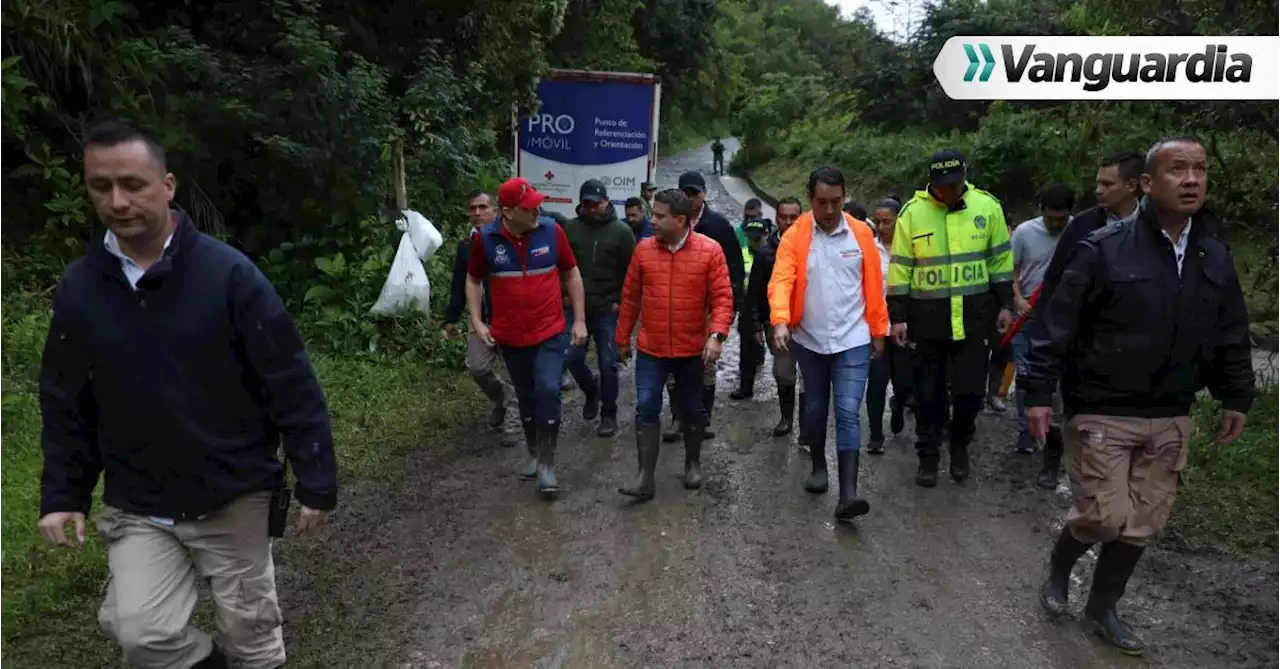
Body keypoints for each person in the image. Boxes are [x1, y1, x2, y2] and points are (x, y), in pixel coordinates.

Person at [37, 119, 337, 669]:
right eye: (101, 187)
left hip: (233, 493)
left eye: (133, 184)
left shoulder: (228, 275)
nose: (118, 201)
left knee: (253, 639)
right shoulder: (82, 288)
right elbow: (64, 399)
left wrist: (316, 480)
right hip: (139, 500)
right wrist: (63, 493)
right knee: (141, 635)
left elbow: (290, 381)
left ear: (168, 185)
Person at [1024, 137, 1253, 655]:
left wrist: (1237, 395)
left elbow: (1230, 332)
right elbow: (1056, 325)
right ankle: (1060, 567)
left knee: (1143, 521)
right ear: (1148, 184)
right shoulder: (1103, 247)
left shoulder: (1212, 254)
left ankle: (1103, 605)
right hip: (1103, 406)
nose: (1191, 179)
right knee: (1105, 515)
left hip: (1171, 411)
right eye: (1178, 170)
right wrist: (1039, 393)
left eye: (1199, 169)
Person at [887, 149, 1015, 488]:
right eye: (941, 187)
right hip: (927, 324)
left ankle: (960, 446)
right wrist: (897, 317)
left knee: (969, 394)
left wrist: (1005, 305)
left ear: (965, 177)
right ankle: (928, 456)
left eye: (954, 185)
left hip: (974, 323)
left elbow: (1000, 263)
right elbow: (900, 269)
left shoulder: (988, 208)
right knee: (928, 396)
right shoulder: (912, 214)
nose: (947, 192)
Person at [769, 167, 889, 521]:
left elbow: (874, 287)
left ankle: (849, 494)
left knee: (849, 410)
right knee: (817, 408)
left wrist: (878, 332)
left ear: (845, 197)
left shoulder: (862, 234)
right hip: (810, 340)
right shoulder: (796, 237)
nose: (830, 209)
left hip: (853, 337)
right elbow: (782, 281)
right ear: (810, 199)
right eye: (822, 202)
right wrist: (779, 320)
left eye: (836, 201)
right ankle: (819, 467)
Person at [467, 177, 587, 496]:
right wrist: (478, 321)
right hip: (510, 336)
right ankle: (534, 451)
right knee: (527, 396)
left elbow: (572, 273)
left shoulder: (552, 231)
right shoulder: (485, 240)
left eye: (536, 203)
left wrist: (580, 321)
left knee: (548, 388)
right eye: (528, 206)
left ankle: (547, 464)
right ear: (507, 212)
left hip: (549, 331)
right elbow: (474, 279)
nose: (536, 209)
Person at [616, 189, 734, 499]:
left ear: (680, 219)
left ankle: (693, 463)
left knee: (693, 409)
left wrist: (717, 335)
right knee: (646, 406)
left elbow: (723, 298)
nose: (651, 220)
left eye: (659, 215)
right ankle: (645, 476)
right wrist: (622, 338)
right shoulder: (643, 251)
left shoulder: (710, 251)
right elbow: (630, 298)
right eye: (652, 214)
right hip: (651, 348)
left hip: (691, 349)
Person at [661, 170, 744, 442]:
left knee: (706, 363)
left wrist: (731, 305)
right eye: (685, 193)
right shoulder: (669, 225)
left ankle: (702, 416)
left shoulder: (718, 225)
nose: (690, 198)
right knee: (672, 363)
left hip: (708, 307)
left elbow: (735, 267)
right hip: (675, 306)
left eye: (694, 193)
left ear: (704, 194)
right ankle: (677, 416)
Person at [1008, 183, 1075, 489]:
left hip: (1063, 318)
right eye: (1051, 219)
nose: (1057, 225)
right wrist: (1018, 299)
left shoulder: (1079, 231)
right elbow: (1010, 269)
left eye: (1062, 219)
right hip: (1028, 315)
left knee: (1057, 379)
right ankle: (1026, 429)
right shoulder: (1024, 233)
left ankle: (1054, 438)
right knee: (1025, 374)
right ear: (1041, 211)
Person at [444, 190, 521, 448]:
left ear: (495, 210)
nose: (477, 213)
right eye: (472, 208)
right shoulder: (467, 246)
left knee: (513, 373)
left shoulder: (510, 239)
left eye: (482, 207)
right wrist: (451, 317)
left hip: (510, 317)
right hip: (480, 319)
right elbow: (459, 282)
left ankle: (513, 420)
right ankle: (502, 400)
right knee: (478, 367)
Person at [562, 179, 636, 437]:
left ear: (606, 202)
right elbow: (562, 266)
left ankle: (609, 413)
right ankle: (591, 390)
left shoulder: (621, 232)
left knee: (608, 363)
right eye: (586, 204)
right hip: (575, 306)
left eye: (596, 203)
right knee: (570, 357)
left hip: (607, 307)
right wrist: (564, 293)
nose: (591, 209)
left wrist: (620, 300)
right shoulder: (570, 229)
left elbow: (632, 273)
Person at [750, 197, 807, 442]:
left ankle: (807, 426)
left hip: (809, 323)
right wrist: (755, 323)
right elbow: (755, 290)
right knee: (783, 373)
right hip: (778, 323)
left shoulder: (812, 246)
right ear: (776, 218)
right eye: (783, 217)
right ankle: (786, 417)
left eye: (793, 217)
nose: (788, 222)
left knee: (811, 377)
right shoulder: (766, 252)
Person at [865, 197, 915, 454]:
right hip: (876, 330)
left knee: (905, 381)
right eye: (878, 221)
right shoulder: (869, 250)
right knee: (876, 383)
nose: (882, 226)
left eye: (887, 221)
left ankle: (898, 406)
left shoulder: (909, 251)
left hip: (904, 328)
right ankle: (875, 434)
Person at [730, 218, 772, 400]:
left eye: (759, 238)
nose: (755, 242)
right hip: (748, 307)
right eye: (751, 238)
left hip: (770, 307)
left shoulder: (774, 255)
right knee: (746, 350)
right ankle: (745, 387)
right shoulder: (741, 255)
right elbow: (735, 282)